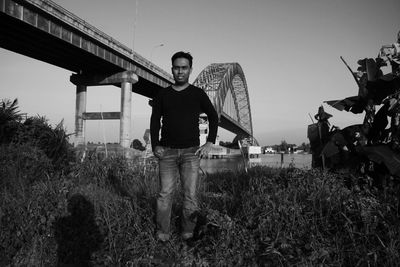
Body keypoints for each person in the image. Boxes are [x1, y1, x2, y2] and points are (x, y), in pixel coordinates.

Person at [150, 51, 219, 242]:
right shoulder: (162, 94)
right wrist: (155, 145)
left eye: (184, 68)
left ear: (190, 70)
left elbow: (213, 117)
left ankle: (187, 233)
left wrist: (209, 142)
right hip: (167, 152)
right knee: (165, 194)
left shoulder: (198, 94)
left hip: (191, 152)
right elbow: (155, 121)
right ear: (172, 69)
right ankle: (162, 233)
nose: (180, 71)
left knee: (190, 195)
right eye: (176, 67)